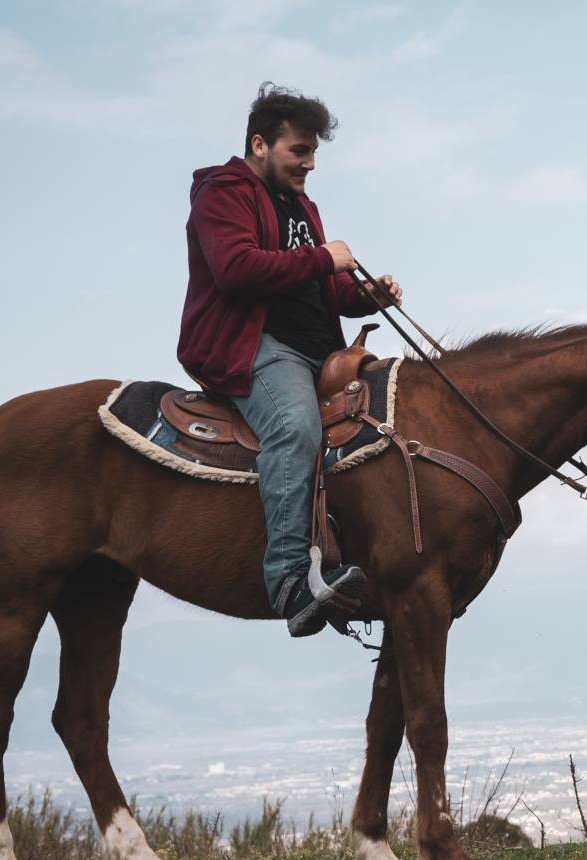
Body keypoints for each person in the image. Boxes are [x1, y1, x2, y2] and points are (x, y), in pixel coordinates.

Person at [177, 82, 403, 637]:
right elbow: (237, 269)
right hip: (249, 344)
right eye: (298, 151)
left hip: (316, 349)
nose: (309, 164)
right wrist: (321, 257)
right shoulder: (222, 193)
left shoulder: (303, 206)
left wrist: (364, 296)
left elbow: (316, 289)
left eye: (313, 153)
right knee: (295, 427)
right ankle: (287, 580)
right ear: (260, 145)